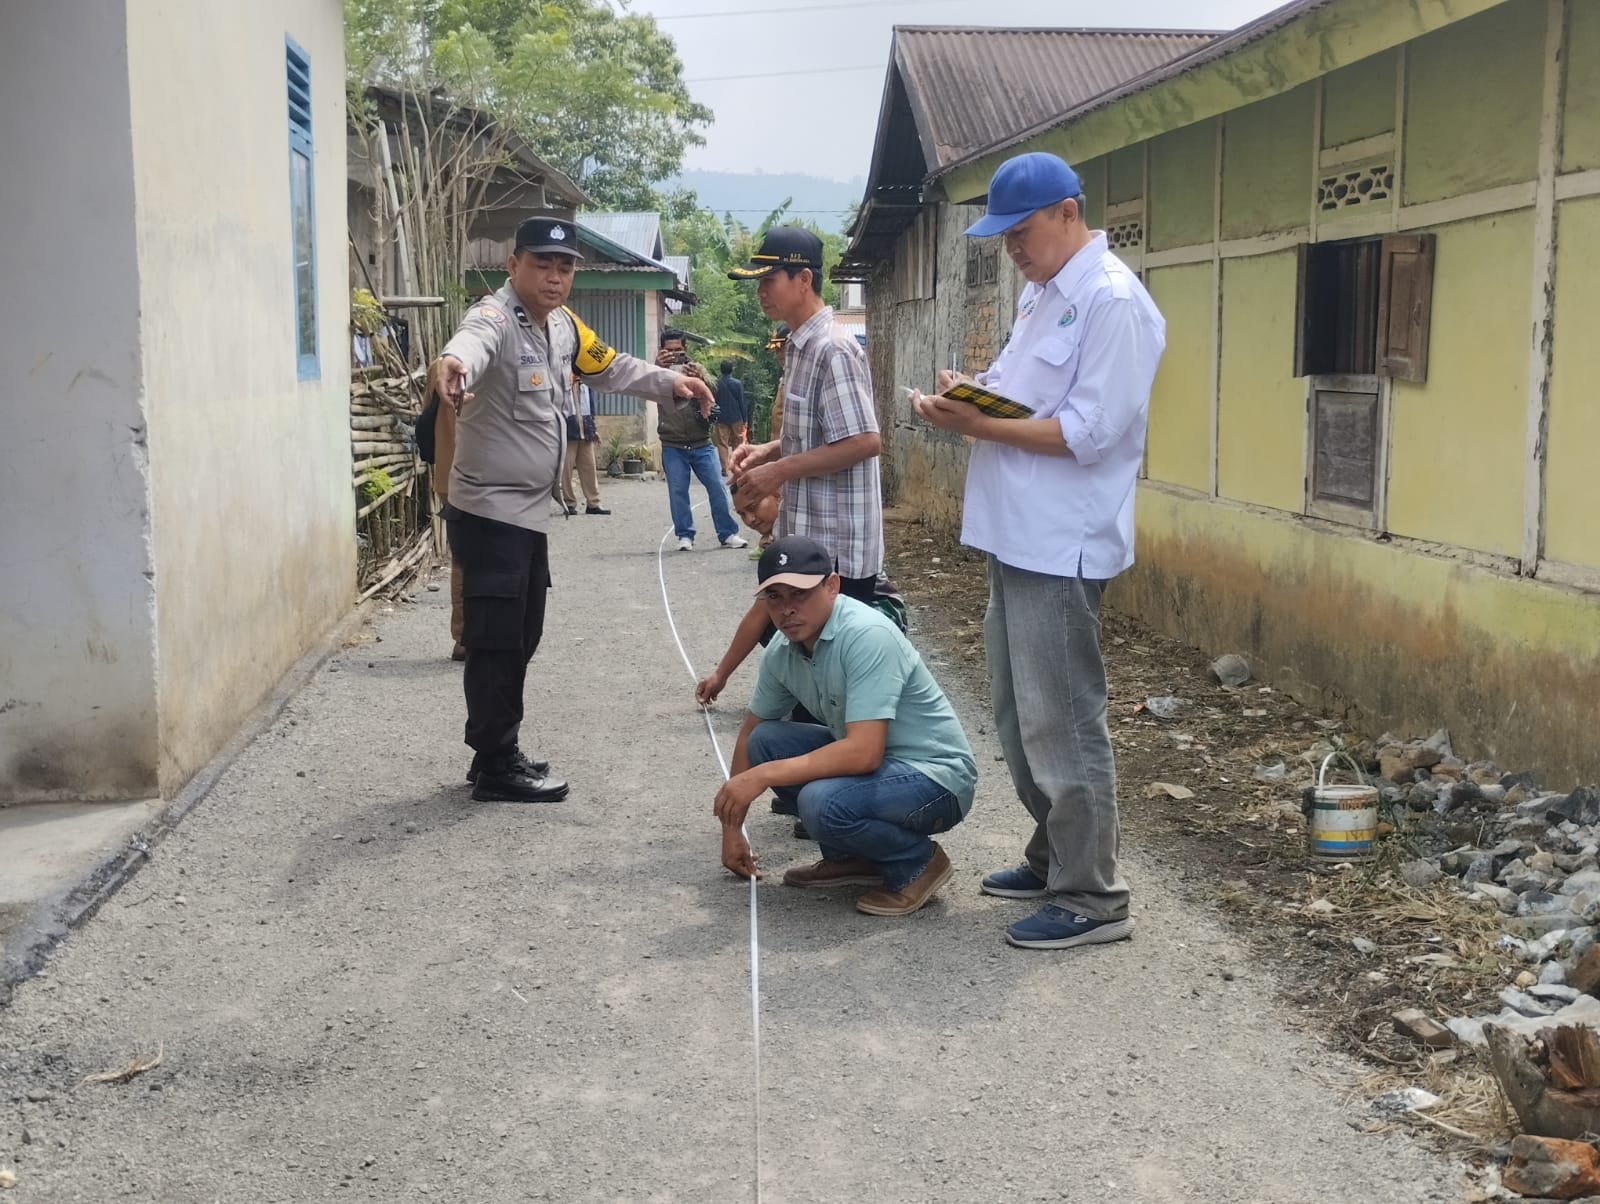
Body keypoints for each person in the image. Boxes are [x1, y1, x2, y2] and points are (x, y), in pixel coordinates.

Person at [911, 152, 1166, 951]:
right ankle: (1056, 852)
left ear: (1067, 211)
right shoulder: (1044, 294)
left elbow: (1092, 432)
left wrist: (978, 425)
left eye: (1022, 232)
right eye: (1003, 238)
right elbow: (1031, 396)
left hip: (1062, 544)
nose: (1012, 249)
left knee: (1065, 721)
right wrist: (973, 391)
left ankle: (1093, 897)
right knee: (1020, 717)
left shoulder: (1111, 300)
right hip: (1014, 534)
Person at [428, 212, 716, 803]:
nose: (555, 276)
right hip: (489, 511)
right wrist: (452, 366)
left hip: (528, 514)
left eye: (564, 267)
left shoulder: (561, 326)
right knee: (496, 637)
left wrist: (671, 384)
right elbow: (469, 346)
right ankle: (494, 761)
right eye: (542, 264)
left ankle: (496, 749)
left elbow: (609, 365)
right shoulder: (495, 319)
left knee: (520, 633)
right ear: (514, 266)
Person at [713, 536, 977, 917]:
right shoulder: (782, 650)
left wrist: (763, 776)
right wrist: (733, 830)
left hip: (936, 779)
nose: (787, 610)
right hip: (885, 770)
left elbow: (864, 753)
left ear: (832, 586)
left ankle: (918, 863)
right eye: (775, 597)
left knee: (821, 801)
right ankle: (855, 859)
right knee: (766, 742)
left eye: (800, 594)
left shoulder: (866, 634)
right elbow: (752, 733)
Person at [699, 231, 884, 708]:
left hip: (837, 550)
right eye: (757, 281)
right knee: (810, 684)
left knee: (836, 693)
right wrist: (767, 452)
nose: (761, 291)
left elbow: (865, 440)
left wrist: (778, 473)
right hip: (808, 538)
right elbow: (821, 432)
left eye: (770, 280)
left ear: (804, 279)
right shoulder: (799, 347)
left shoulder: (833, 347)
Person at [653, 329, 748, 552]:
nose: (674, 355)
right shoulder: (656, 373)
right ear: (661, 351)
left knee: (717, 486)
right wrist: (658, 367)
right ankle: (685, 535)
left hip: (701, 442)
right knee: (678, 491)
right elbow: (648, 390)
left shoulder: (695, 369)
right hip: (673, 443)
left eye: (678, 350)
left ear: (686, 350)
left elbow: (714, 394)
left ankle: (728, 533)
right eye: (669, 351)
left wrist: (701, 379)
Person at [429, 380, 467, 662]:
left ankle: (463, 637)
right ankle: (470, 635)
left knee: (462, 559)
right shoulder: (491, 361)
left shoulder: (438, 367)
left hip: (447, 474)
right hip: (479, 478)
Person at [561, 371, 608, 516]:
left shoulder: (586, 385)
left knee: (589, 467)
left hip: (586, 430)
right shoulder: (562, 384)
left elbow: (591, 407)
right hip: (568, 430)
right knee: (566, 469)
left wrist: (594, 429)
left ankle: (593, 503)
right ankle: (569, 503)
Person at [712, 360, 748, 473]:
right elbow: (742, 402)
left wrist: (713, 417)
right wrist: (745, 418)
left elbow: (713, 401)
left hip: (721, 417)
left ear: (721, 370)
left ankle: (725, 468)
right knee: (738, 440)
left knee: (722, 443)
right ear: (732, 370)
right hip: (736, 417)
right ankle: (735, 465)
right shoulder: (737, 383)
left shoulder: (716, 384)